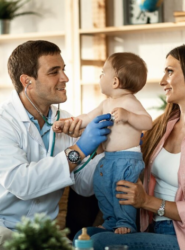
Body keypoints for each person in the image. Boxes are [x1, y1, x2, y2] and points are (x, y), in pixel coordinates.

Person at [0, 40, 113, 250]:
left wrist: (104, 149)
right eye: (54, 72)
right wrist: (79, 149)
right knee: (7, 243)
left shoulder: (65, 120)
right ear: (27, 81)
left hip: (39, 231)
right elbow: (23, 184)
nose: (65, 78)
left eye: (63, 69)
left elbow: (84, 186)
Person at [73, 45, 185, 250]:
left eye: (170, 71)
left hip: (179, 234)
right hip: (151, 226)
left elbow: (144, 197)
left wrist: (147, 202)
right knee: (84, 236)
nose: (162, 81)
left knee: (96, 243)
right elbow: (126, 155)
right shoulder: (163, 126)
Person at [53, 52, 152, 234]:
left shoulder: (130, 102)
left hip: (127, 159)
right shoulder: (106, 103)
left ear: (115, 82)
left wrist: (129, 116)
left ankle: (126, 222)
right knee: (102, 188)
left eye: (102, 73)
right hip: (108, 158)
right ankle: (110, 221)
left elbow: (148, 122)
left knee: (121, 191)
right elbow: (87, 118)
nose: (100, 77)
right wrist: (67, 124)